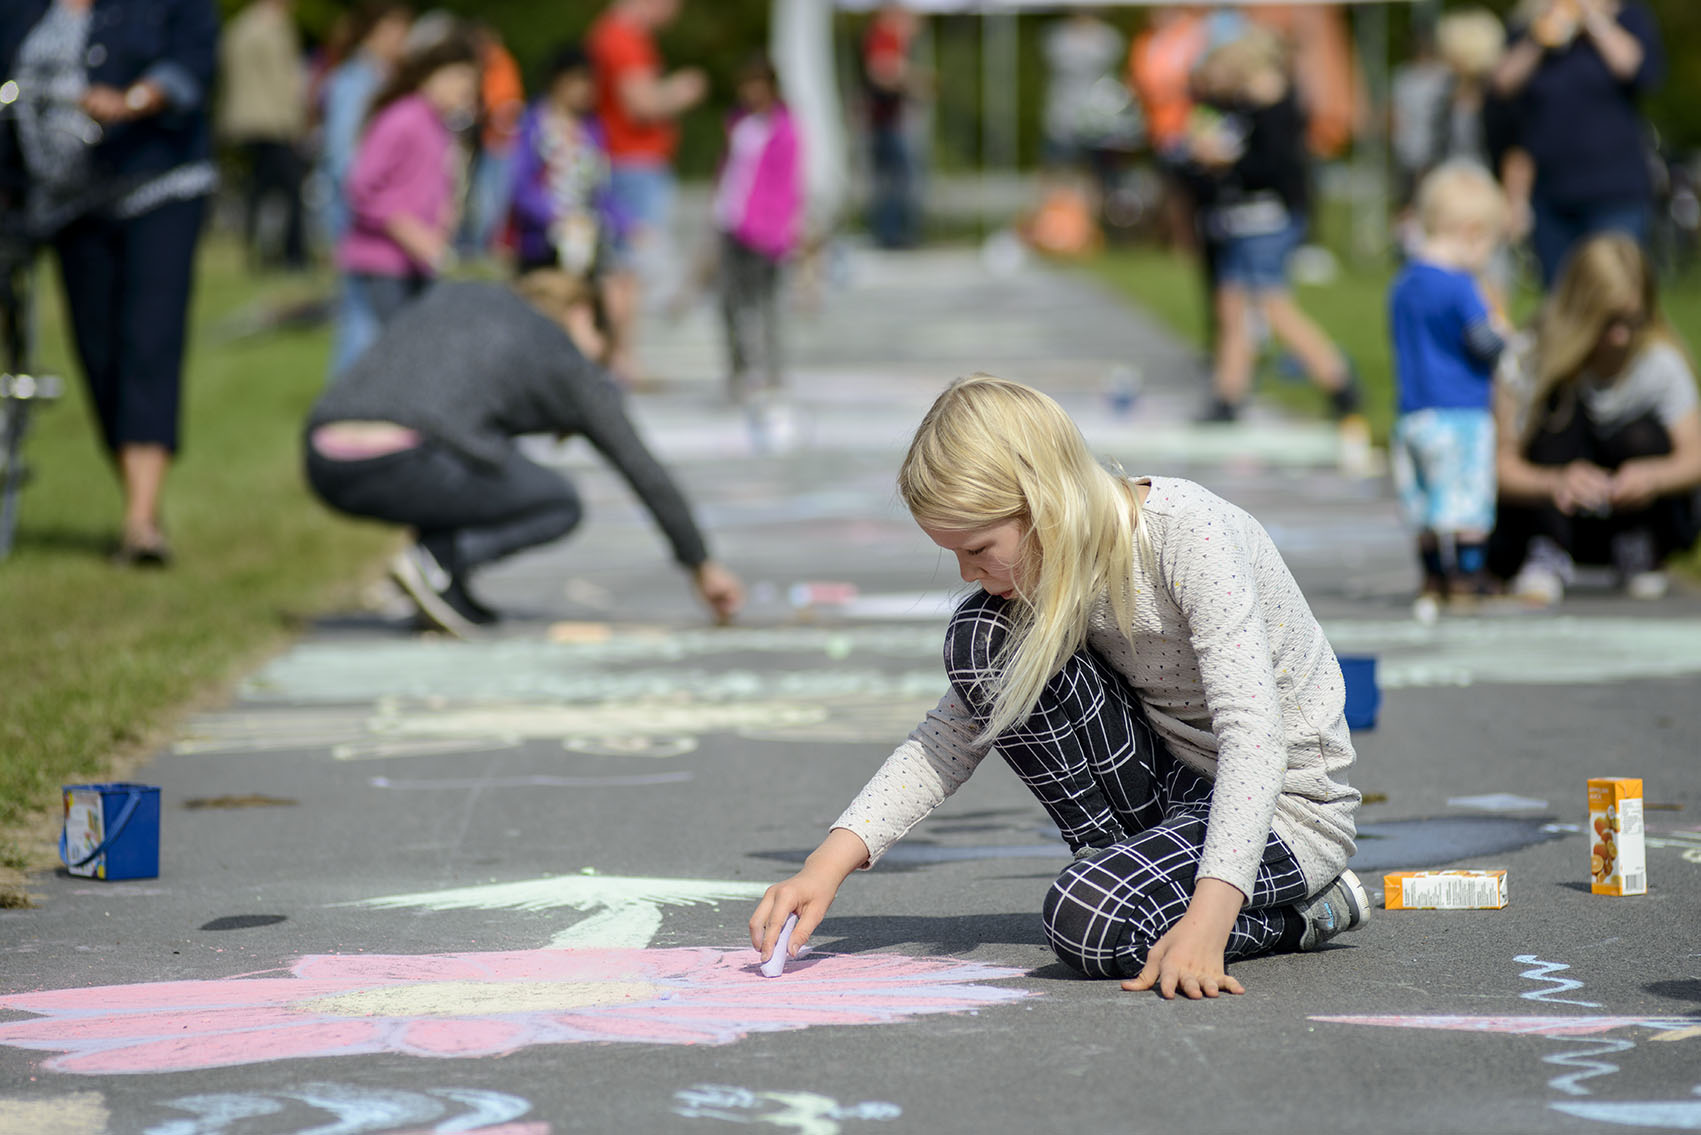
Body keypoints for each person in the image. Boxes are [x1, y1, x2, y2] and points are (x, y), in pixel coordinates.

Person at [751, 376, 1367, 1000]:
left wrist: (1209, 925)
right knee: (983, 637)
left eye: (979, 548)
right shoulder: (1052, 564)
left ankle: (1310, 911)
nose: (968, 572)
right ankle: (1125, 872)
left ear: (1045, 503)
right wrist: (824, 866)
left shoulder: (1189, 535)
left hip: (1285, 813)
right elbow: (951, 736)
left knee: (1085, 921)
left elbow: (1252, 738)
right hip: (1174, 788)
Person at [305, 272, 745, 636]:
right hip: (406, 458)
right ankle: (439, 563)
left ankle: (442, 585)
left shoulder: (461, 295)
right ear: (581, 314)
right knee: (557, 500)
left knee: (475, 460)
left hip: (324, 456)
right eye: (601, 342)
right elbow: (640, 467)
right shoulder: (564, 358)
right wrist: (700, 562)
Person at [0, 0, 220, 565]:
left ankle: (141, 521)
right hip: (64, 204)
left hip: (158, 185)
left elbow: (194, 62)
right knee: (98, 353)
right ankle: (135, 495)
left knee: (149, 341)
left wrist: (135, 99)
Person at [1489, 234, 1701, 604]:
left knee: (1644, 434)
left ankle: (1638, 548)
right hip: (1550, 513)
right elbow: (1498, 465)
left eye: (1631, 321)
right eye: (1607, 322)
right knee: (1558, 413)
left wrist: (1651, 477)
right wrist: (1554, 483)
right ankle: (1547, 550)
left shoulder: (1659, 363)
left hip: (1630, 515)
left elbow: (1694, 456)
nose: (1620, 337)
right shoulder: (1530, 358)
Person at [1182, 32, 1360, 428]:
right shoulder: (1243, 107)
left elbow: (1275, 169)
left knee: (1271, 305)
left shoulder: (1278, 109)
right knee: (1230, 305)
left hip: (1269, 221)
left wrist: (1225, 160)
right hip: (1242, 221)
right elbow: (1201, 95)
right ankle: (1228, 394)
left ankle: (1338, 380)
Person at [1389, 163, 1509, 622]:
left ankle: (1432, 577)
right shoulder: (1462, 286)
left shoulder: (1404, 284)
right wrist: (1505, 336)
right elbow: (1483, 343)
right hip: (1460, 414)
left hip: (1413, 414)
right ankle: (1466, 580)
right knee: (1467, 504)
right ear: (1472, 232)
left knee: (1424, 505)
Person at [329, 33, 479, 378]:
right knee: (378, 355)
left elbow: (438, 186)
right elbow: (361, 187)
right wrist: (406, 230)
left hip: (416, 261)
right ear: (431, 74)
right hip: (382, 258)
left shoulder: (440, 125)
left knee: (411, 353)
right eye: (459, 80)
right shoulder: (403, 118)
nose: (465, 92)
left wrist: (443, 221)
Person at [1492, 0, 1664, 288]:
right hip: (1550, 189)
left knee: (1616, 288)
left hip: (1615, 188)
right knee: (1559, 292)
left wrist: (1593, 21)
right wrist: (1540, 36)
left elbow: (1635, 68)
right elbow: (1502, 84)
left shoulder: (1627, 16)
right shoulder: (1533, 24)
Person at [587, 0, 706, 382]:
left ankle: (621, 357)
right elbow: (640, 103)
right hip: (633, 162)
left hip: (629, 163)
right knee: (628, 269)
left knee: (627, 269)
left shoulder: (613, 33)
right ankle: (622, 359)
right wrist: (682, 90)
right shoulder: (623, 37)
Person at [507, 45, 619, 342]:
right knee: (542, 321)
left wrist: (623, 222)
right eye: (576, 81)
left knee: (585, 320)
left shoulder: (592, 128)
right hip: (540, 244)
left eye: (589, 82)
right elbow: (520, 186)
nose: (584, 90)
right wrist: (555, 217)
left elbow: (600, 188)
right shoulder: (533, 124)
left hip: (586, 243)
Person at [712, 54, 801, 407]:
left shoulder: (783, 129)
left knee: (765, 304)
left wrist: (780, 230)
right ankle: (739, 369)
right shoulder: (738, 123)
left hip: (764, 230)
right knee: (730, 302)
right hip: (730, 221)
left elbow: (788, 185)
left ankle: (770, 370)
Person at [218, 0, 309, 271]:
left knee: (260, 187)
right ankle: (294, 255)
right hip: (274, 120)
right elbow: (284, 82)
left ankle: (255, 248)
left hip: (245, 119)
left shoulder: (239, 27)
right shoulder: (275, 28)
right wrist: (296, 122)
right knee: (290, 188)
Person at [316, 0, 412, 248]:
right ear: (374, 31)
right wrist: (371, 198)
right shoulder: (352, 81)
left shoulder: (386, 78)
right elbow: (342, 153)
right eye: (396, 31)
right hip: (355, 214)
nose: (402, 40)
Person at [861, 4, 923, 250]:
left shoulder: (883, 36)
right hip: (887, 122)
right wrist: (912, 79)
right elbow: (881, 71)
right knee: (897, 179)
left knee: (891, 179)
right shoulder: (884, 36)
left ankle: (891, 233)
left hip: (888, 121)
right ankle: (891, 234)